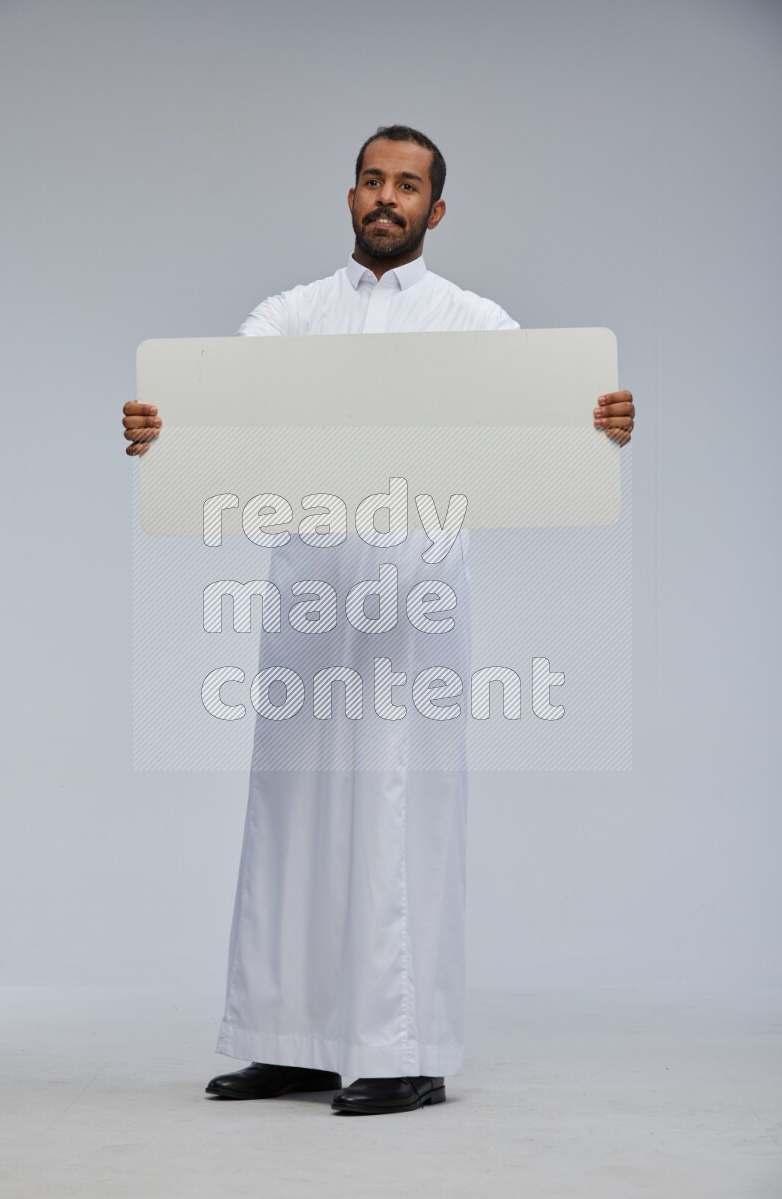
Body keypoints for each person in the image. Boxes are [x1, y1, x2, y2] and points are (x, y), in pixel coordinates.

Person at [123, 125, 635, 1116]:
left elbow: (542, 421)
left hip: (415, 594)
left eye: (407, 185)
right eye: (371, 180)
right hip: (310, 591)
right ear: (348, 195)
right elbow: (220, 415)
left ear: (435, 211)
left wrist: (595, 422)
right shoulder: (290, 314)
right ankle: (288, 1037)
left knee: (400, 807)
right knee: (291, 807)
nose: (385, 197)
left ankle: (404, 1047)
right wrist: (162, 430)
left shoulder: (472, 321)